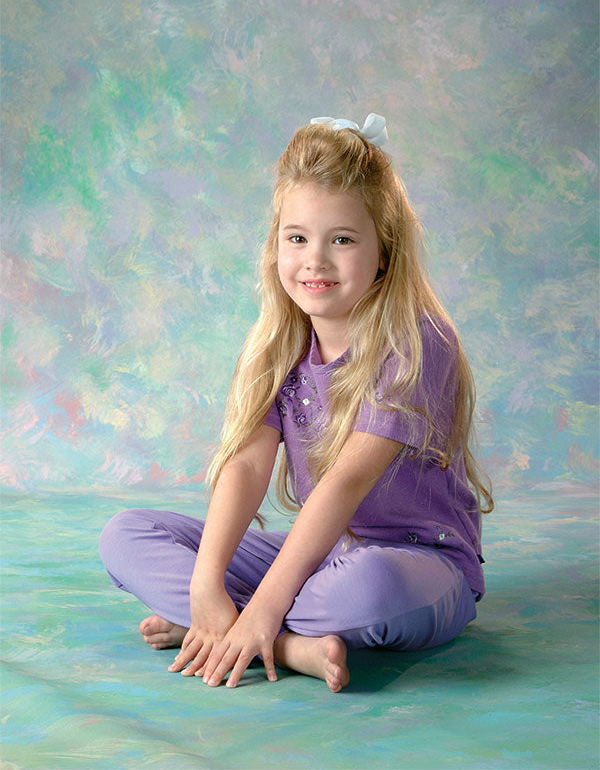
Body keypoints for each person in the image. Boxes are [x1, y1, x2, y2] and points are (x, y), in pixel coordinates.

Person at [98, 112, 494, 693]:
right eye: (298, 237)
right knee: (126, 534)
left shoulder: (417, 341)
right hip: (320, 552)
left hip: (417, 566)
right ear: (276, 245)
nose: (316, 259)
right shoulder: (278, 344)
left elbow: (346, 483)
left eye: (343, 239)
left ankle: (237, 630)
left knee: (368, 589)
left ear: (384, 251)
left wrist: (263, 607)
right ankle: (269, 638)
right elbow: (246, 464)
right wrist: (205, 585)